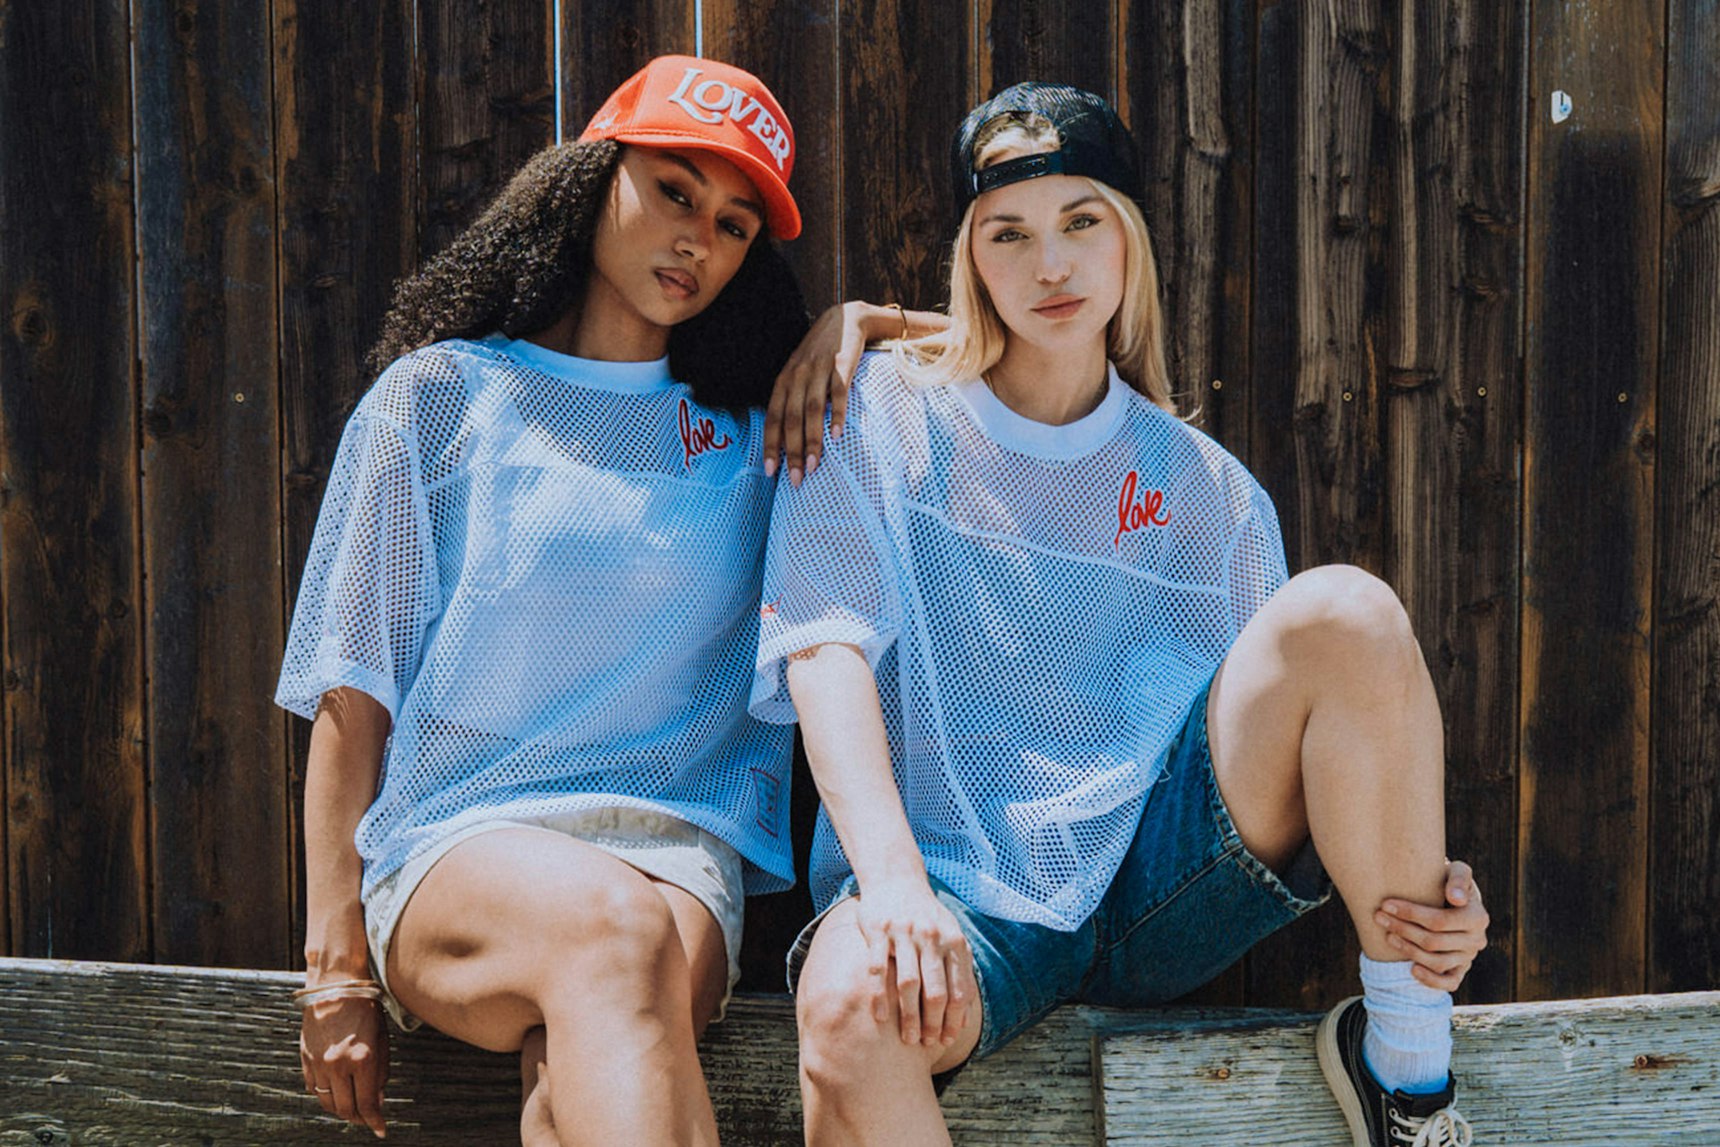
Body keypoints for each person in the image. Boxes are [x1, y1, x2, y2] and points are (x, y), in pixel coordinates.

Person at [751, 83, 1486, 1147]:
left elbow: (1291, 742)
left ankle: (1410, 1081)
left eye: (1081, 222)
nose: (1050, 265)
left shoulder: (1209, 490)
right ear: (972, 259)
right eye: (1009, 233)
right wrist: (893, 888)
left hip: (1158, 891)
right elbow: (823, 651)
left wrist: (1430, 890)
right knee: (852, 996)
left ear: (1130, 240)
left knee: (1347, 611)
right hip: (960, 897)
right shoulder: (876, 417)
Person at [277, 55, 812, 1145]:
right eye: (673, 191)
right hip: (461, 846)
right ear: (592, 175)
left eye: (733, 224)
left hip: (677, 856)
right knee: (610, 935)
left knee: (571, 1076)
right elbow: (351, 690)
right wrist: (334, 974)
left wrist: (863, 322)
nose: (696, 240)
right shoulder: (438, 399)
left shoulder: (758, 440)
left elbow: (1010, 359)